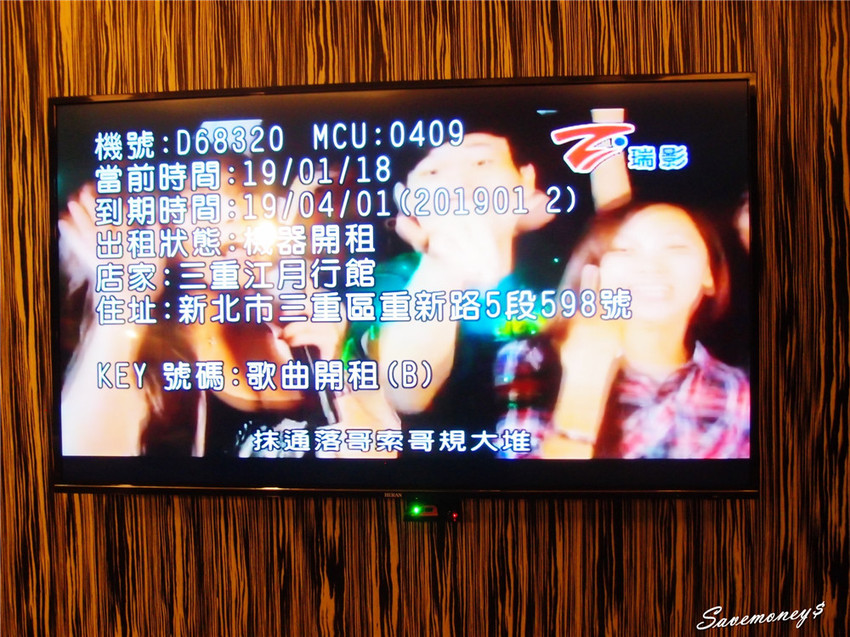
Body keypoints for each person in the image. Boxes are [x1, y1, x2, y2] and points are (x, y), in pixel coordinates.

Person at [59, 170, 399, 458]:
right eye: (208, 204)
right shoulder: (151, 362)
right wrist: (121, 307)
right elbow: (86, 462)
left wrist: (335, 369)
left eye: (242, 196)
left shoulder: (306, 327)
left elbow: (381, 460)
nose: (233, 220)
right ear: (165, 229)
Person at [542, 202, 750, 459]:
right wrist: (584, 385)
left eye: (675, 247)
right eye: (625, 250)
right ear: (595, 271)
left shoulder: (736, 392)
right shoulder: (536, 363)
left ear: (709, 274)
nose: (651, 267)